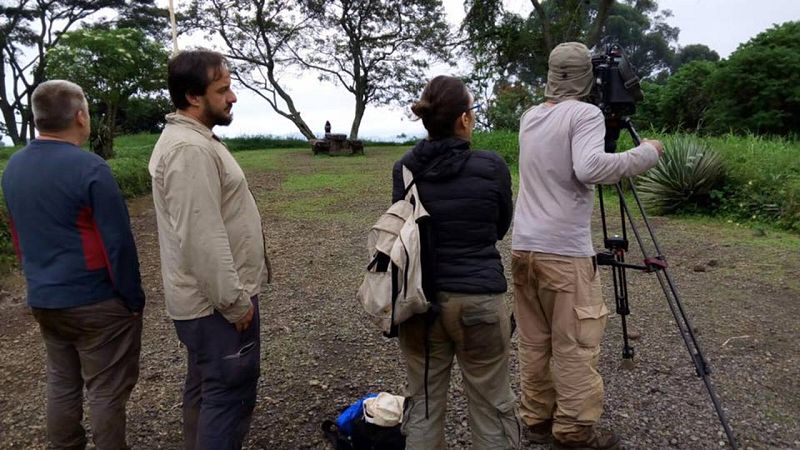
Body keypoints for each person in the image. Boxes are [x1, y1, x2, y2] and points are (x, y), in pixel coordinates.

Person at [512, 42, 664, 450]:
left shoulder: (530, 117)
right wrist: (646, 153)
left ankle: (537, 418)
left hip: (524, 247)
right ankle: (575, 430)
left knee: (534, 341)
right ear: (588, 78)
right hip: (563, 252)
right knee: (575, 344)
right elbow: (591, 168)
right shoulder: (585, 113)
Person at [1, 80, 145, 449]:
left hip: (45, 298)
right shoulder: (90, 168)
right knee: (106, 390)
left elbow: (19, 236)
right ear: (81, 116)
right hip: (95, 301)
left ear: (36, 120)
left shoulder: (13, 167)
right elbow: (118, 244)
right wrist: (132, 299)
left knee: (62, 383)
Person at [149, 49, 270, 449]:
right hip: (215, 308)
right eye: (223, 90)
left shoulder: (195, 141)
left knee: (205, 390)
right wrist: (234, 302)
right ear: (192, 97)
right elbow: (202, 237)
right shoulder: (190, 150)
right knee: (228, 396)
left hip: (207, 305)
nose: (232, 97)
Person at [393, 75, 520, 450]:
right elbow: (499, 226)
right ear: (464, 119)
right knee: (492, 404)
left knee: (423, 405)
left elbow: (404, 233)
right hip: (479, 301)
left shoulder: (404, 169)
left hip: (419, 303)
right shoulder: (492, 166)